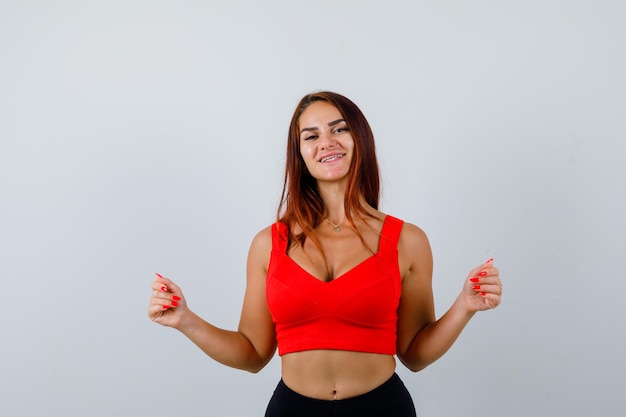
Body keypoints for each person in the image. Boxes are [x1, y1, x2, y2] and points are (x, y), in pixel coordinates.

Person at [148, 91, 502, 416]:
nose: (326, 143)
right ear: (299, 153)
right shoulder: (268, 244)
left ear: (359, 138)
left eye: (339, 129)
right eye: (311, 135)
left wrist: (465, 306)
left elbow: (415, 354)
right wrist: (185, 320)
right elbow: (252, 354)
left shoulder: (407, 241)